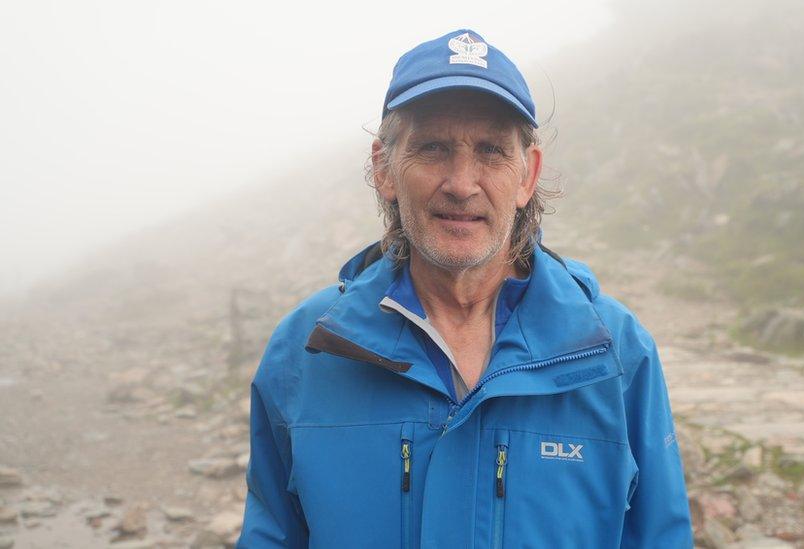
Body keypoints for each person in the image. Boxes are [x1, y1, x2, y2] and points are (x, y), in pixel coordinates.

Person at [237, 29, 692, 548]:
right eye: (432, 147)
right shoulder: (308, 348)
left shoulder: (615, 351)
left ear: (527, 176)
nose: (461, 182)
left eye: (491, 151)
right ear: (384, 168)